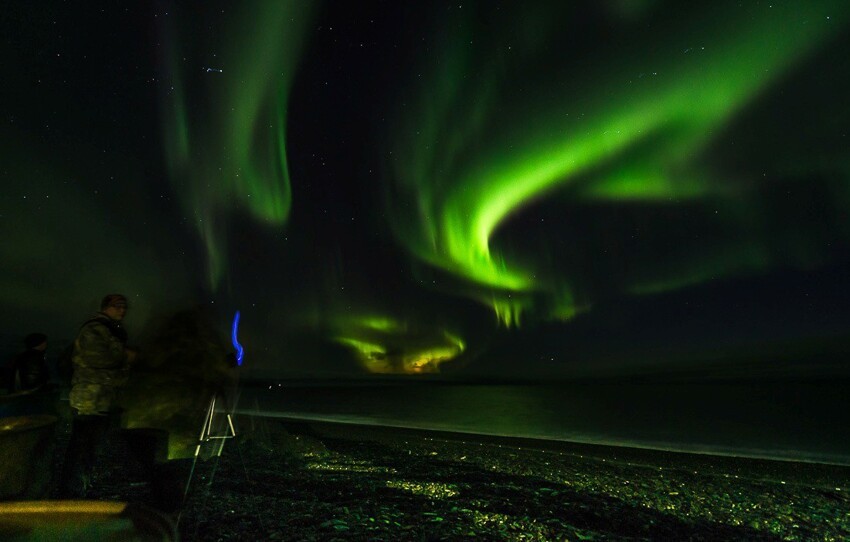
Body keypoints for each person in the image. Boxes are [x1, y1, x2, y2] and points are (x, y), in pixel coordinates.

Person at [59, 294, 137, 498]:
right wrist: (126, 356)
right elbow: (99, 357)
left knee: (90, 446)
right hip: (89, 400)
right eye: (118, 306)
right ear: (106, 307)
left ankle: (80, 486)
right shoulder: (94, 328)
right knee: (82, 446)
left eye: (124, 307)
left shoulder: (108, 329)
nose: (123, 310)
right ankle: (71, 492)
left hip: (100, 399)